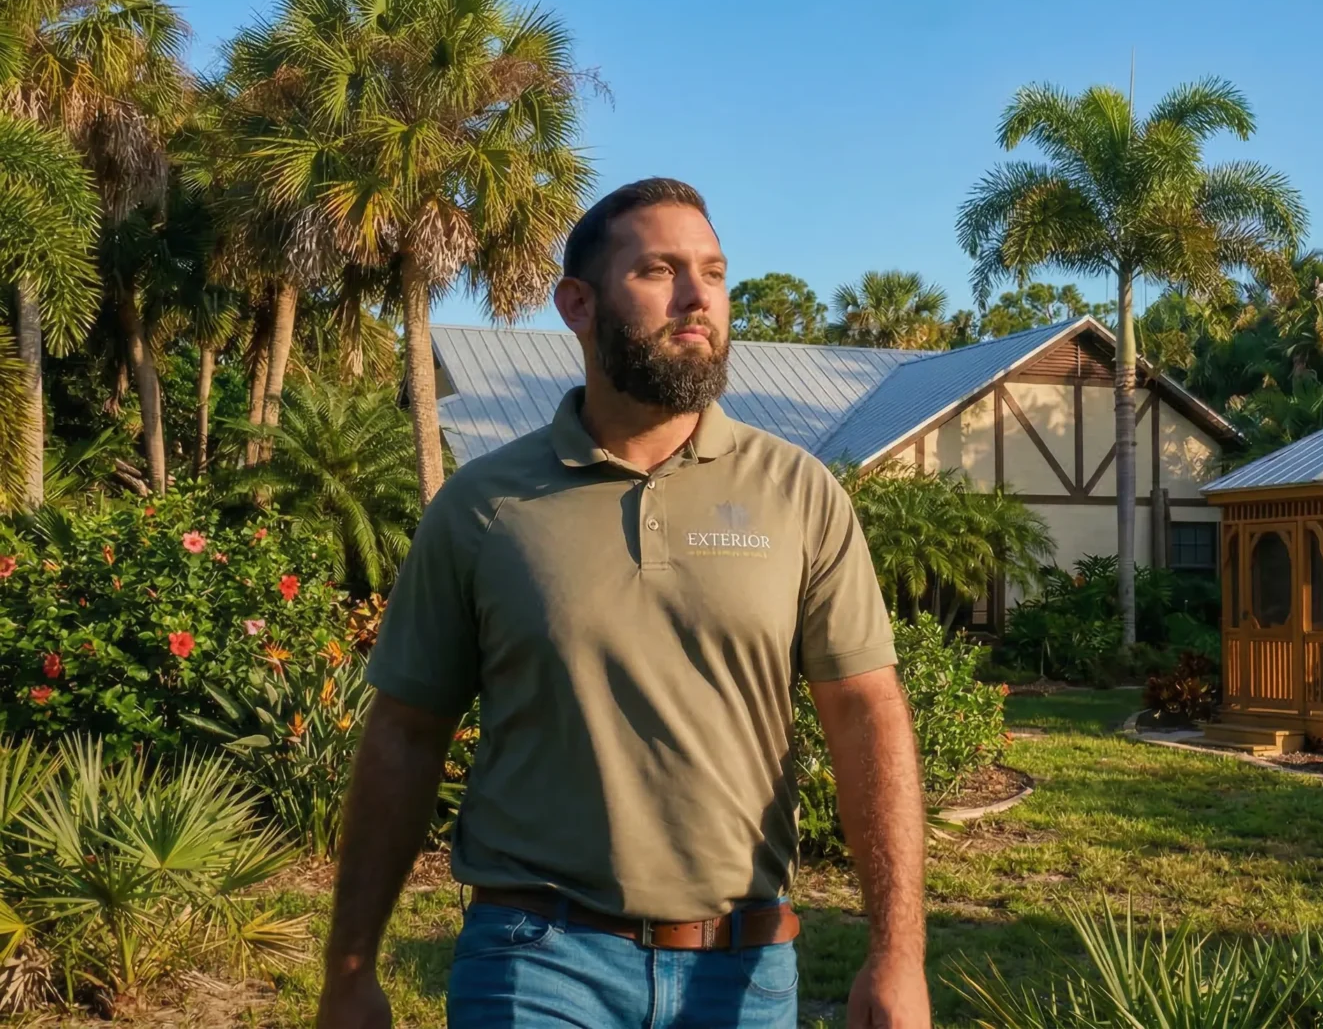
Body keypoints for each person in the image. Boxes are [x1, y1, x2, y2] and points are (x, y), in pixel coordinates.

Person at [314, 178, 930, 1028]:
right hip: (536, 959)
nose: (697, 298)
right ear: (578, 304)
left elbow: (867, 716)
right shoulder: (485, 507)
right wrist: (350, 970)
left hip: (744, 967)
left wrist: (897, 955)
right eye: (659, 271)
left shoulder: (799, 493)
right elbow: (405, 733)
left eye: (713, 273)